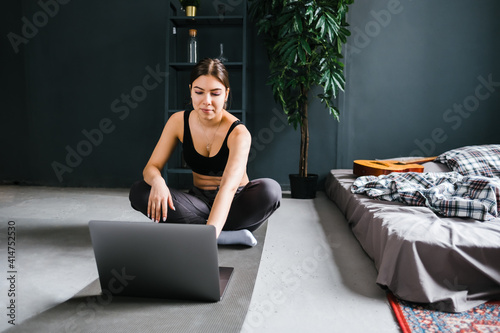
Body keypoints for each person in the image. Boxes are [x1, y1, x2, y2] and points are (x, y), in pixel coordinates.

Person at [129, 58, 281, 246]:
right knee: (140, 191)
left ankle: (204, 233)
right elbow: (151, 167)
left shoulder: (239, 133)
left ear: (226, 94)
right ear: (191, 91)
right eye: (199, 92)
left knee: (270, 190)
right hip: (198, 202)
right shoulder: (178, 121)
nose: (206, 101)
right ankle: (225, 236)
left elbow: (228, 188)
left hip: (235, 203)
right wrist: (158, 181)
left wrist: (207, 240)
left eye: (215, 94)